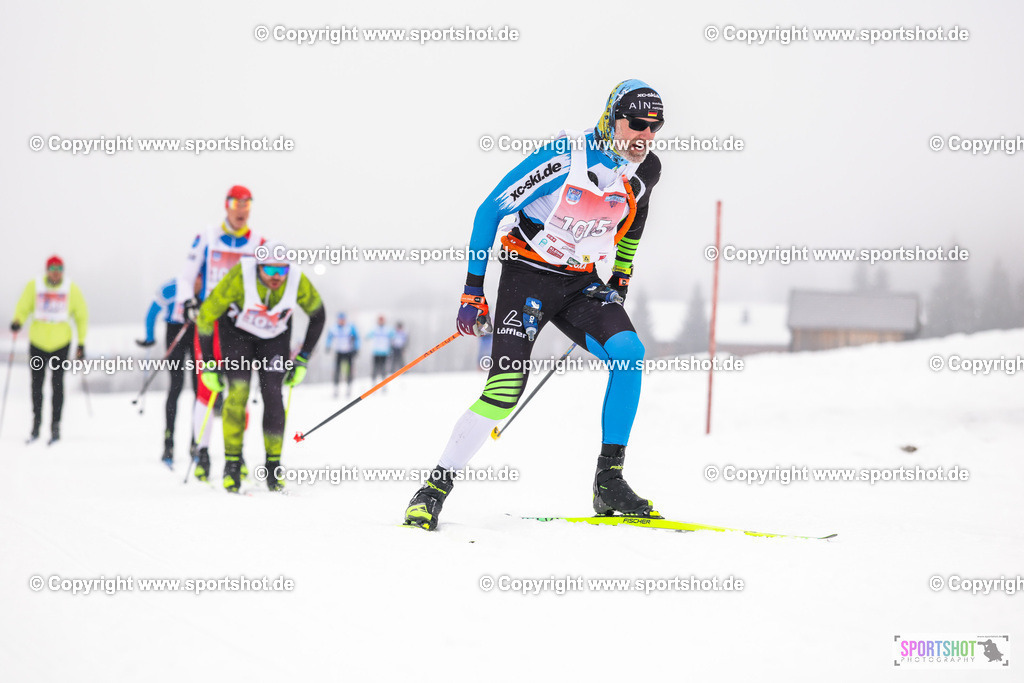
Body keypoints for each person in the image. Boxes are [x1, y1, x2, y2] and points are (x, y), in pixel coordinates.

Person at [404, 80, 664, 530]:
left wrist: (622, 273)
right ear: (611, 118)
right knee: (504, 391)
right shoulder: (566, 156)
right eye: (635, 124)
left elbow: (635, 221)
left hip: (580, 282)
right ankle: (433, 489)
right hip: (527, 278)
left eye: (654, 127)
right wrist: (472, 291)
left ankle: (609, 481)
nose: (644, 136)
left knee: (629, 354)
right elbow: (490, 211)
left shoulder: (646, 170)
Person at [194, 246, 325, 492]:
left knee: (274, 396)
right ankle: (232, 465)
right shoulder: (239, 276)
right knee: (238, 393)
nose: (277, 276)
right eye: (270, 269)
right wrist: (209, 362)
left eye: (282, 269)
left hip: (274, 338)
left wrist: (303, 357)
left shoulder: (296, 280)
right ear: (258, 267)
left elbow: (318, 315)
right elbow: (206, 315)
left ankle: (273, 468)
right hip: (236, 336)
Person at [174, 185, 267, 481]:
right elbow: (185, 278)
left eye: (247, 205)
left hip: (242, 325)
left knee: (239, 390)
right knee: (208, 388)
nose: (241, 211)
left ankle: (235, 454)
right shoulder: (207, 237)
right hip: (211, 322)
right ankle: (201, 454)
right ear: (227, 206)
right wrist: (189, 302)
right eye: (236, 204)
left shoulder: (258, 243)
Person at [10, 255, 88, 444]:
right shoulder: (34, 286)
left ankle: (55, 425)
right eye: (52, 270)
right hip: (38, 342)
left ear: (62, 272)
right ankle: (36, 424)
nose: (55, 274)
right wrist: (17, 321)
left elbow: (81, 315)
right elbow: (23, 307)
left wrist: (81, 343)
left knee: (57, 385)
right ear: (47, 270)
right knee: (37, 385)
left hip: (61, 344)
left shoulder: (71, 288)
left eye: (59, 270)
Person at [137, 274, 201, 466]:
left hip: (197, 333)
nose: (199, 283)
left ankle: (196, 443)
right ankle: (168, 442)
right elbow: (152, 312)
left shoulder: (208, 287)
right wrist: (149, 336)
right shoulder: (173, 287)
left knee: (200, 391)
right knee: (176, 386)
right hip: (175, 332)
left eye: (201, 279)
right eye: (196, 279)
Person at [325, 312, 359, 398]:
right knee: (337, 370)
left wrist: (356, 348)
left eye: (343, 320)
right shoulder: (334, 328)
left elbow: (356, 338)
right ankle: (336, 389)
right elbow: (329, 337)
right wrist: (328, 346)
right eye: (340, 320)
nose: (342, 322)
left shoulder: (350, 327)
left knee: (348, 371)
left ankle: (349, 388)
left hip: (348, 351)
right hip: (339, 352)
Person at [365, 316, 393, 386]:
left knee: (384, 368)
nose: (381, 322)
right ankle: (373, 383)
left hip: (385, 352)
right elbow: (367, 336)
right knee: (375, 368)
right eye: (380, 320)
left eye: (382, 320)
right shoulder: (375, 329)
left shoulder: (388, 329)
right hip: (376, 352)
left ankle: (384, 383)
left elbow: (394, 336)